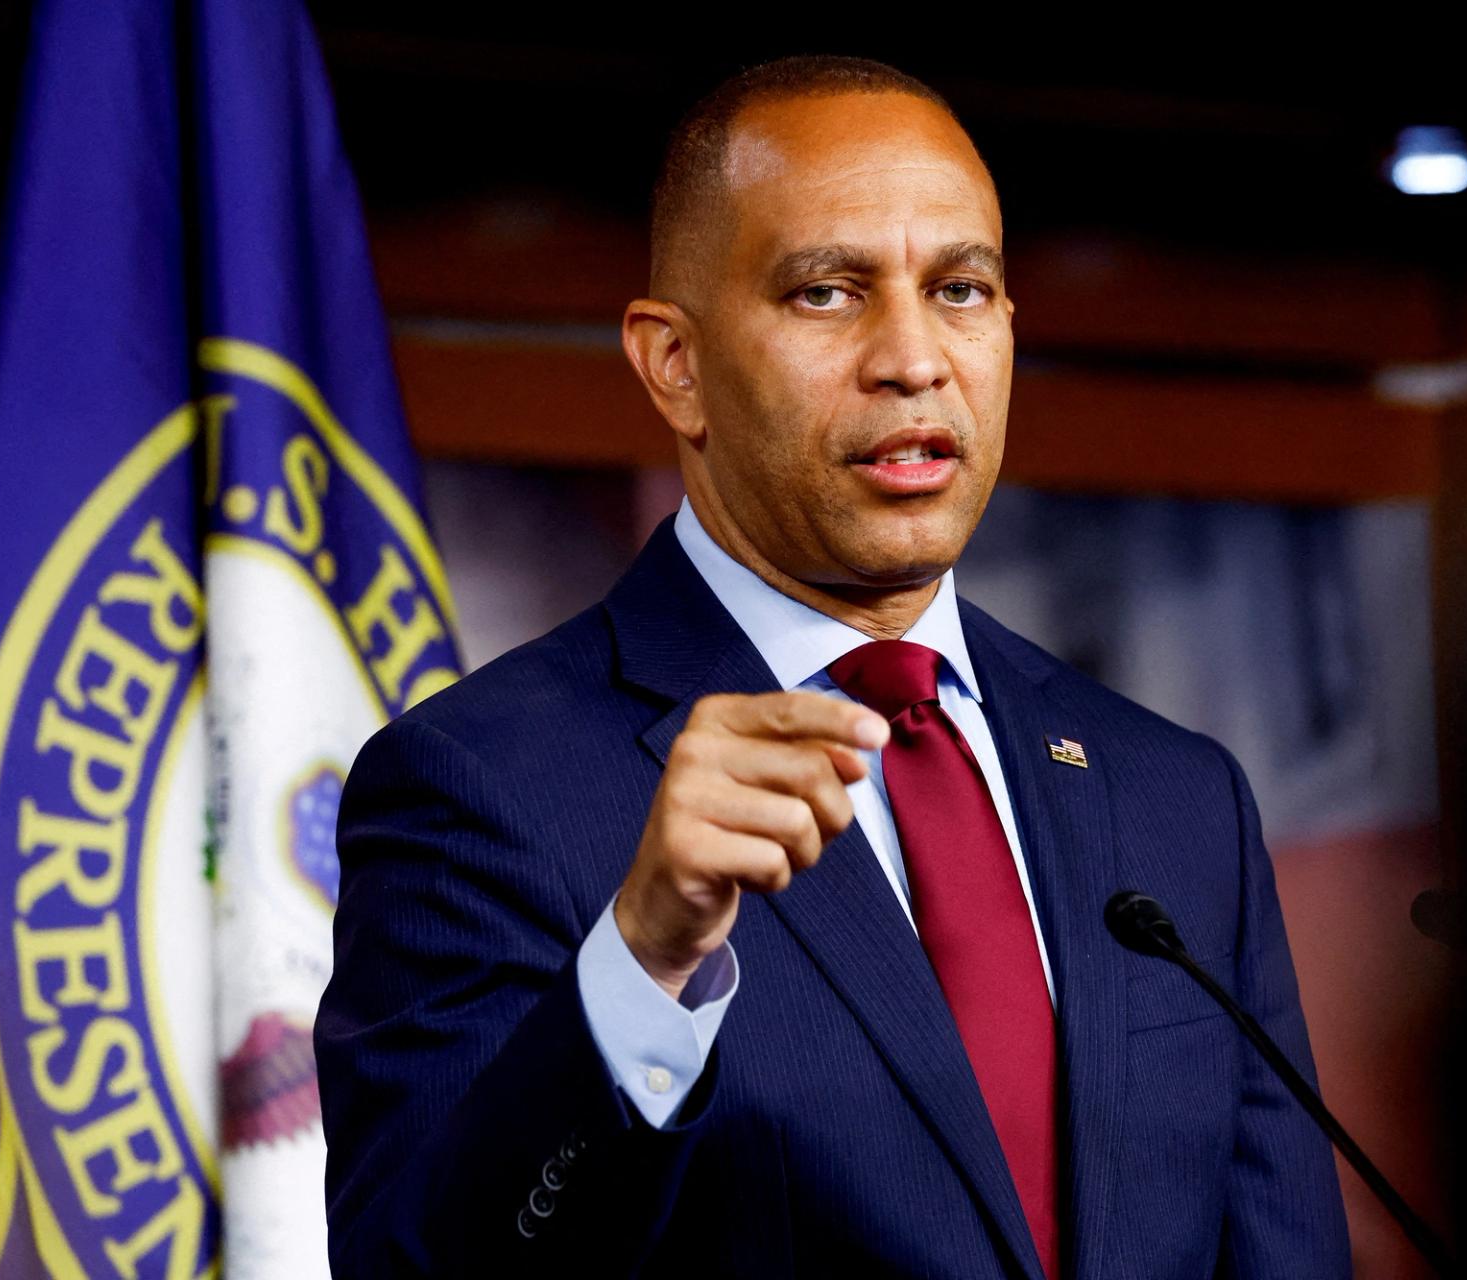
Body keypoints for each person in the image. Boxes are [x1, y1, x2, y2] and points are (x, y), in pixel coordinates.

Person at [315, 55, 1350, 1279]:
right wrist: (642, 960)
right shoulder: (476, 788)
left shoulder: (1176, 797)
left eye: (961, 289)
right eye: (826, 294)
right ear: (675, 365)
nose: (913, 359)